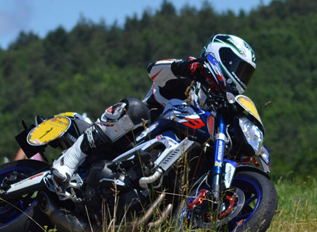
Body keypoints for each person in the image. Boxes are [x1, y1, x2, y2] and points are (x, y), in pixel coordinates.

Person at [50, 34, 257, 190]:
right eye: (238, 68)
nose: (240, 76)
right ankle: (68, 161)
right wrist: (187, 67)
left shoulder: (217, 107)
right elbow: (153, 70)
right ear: (220, 57)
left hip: (161, 162)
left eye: (245, 74)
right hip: (133, 138)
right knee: (136, 109)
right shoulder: (190, 74)